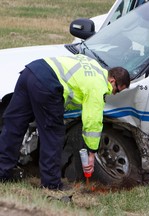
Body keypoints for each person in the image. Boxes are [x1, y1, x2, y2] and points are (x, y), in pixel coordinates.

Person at [0, 54, 130, 190]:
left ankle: (2, 172)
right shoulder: (98, 86)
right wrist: (92, 152)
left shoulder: (93, 65)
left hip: (31, 71)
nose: (114, 94)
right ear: (112, 81)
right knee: (53, 135)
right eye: (117, 90)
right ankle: (51, 183)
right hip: (46, 84)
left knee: (14, 125)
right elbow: (92, 120)